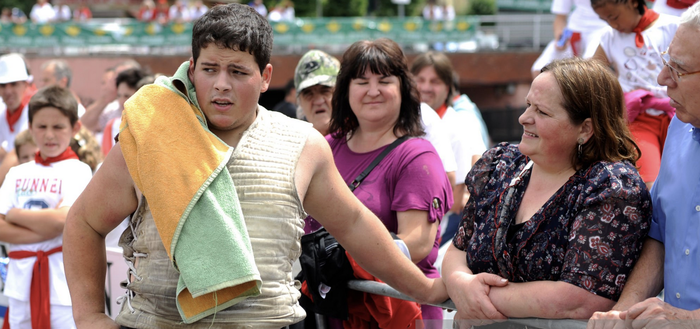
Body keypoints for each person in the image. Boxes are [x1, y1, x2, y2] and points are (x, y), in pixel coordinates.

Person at [63, 4, 448, 328]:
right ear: (191, 68)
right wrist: (90, 317)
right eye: (210, 69)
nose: (221, 85)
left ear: (265, 77)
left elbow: (354, 225)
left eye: (238, 72)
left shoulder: (304, 144)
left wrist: (425, 289)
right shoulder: (148, 137)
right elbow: (83, 222)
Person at [442, 58, 652, 328]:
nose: (523, 117)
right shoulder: (501, 163)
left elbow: (582, 297)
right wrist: (460, 282)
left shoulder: (610, 188)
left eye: (541, 112)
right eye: (528, 104)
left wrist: (478, 298)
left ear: (585, 129)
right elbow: (459, 247)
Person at [309, 37, 453, 327]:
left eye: (384, 80)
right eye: (361, 81)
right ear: (346, 90)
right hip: (339, 315)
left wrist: (343, 258)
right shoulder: (326, 148)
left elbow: (418, 243)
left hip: (400, 314)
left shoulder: (417, 157)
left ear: (402, 88)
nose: (373, 91)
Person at [588, 3, 700, 328]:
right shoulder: (679, 128)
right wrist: (623, 311)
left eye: (678, 68)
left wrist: (691, 320)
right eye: (666, 61)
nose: (661, 78)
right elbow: (662, 236)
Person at [0, 85, 92, 329]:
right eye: (41, 127)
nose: (49, 135)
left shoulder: (79, 171)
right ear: (30, 128)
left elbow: (63, 221)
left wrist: (14, 214)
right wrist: (49, 227)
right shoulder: (17, 172)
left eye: (58, 127)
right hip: (19, 284)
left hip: (62, 287)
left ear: (75, 128)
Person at [592, 0, 678, 189]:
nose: (612, 24)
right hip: (638, 117)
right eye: (604, 19)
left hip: (679, 115)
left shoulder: (674, 26)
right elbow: (591, 74)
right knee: (649, 182)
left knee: (682, 178)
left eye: (613, 17)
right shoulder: (609, 37)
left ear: (631, 2)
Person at [410, 51, 487, 241]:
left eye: (434, 82)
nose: (426, 87)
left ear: (447, 88)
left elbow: (455, 199)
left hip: (437, 229)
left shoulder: (457, 126)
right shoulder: (405, 122)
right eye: (420, 79)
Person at [530, 0, 608, 78]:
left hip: (602, 29)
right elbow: (560, 18)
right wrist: (560, 39)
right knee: (538, 70)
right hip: (573, 30)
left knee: (588, 70)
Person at [101, 68, 147, 156]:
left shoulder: (152, 123)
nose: (121, 101)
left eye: (127, 96)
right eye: (119, 96)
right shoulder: (112, 124)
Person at [0, 53, 37, 162]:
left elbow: (15, 156)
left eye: (13, 84)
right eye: (2, 85)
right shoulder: (3, 113)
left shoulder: (34, 109)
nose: (8, 91)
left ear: (26, 84)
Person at [294, 50, 341, 135]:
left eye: (325, 91)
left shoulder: (360, 141)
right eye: (308, 94)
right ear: (300, 103)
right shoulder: (294, 145)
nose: (318, 101)